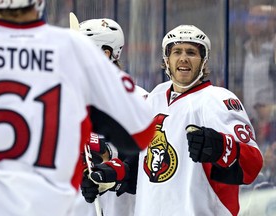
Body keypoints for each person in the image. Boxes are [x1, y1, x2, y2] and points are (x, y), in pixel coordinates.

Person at [0, 1, 156, 216]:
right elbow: (139, 133)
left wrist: (107, 156)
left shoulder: (140, 96)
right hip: (58, 200)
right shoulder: (69, 51)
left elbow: (144, 155)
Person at [81, 25, 263, 216]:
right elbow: (145, 165)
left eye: (191, 52)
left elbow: (252, 165)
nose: (183, 58)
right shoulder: (155, 98)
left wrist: (220, 146)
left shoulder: (218, 100)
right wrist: (111, 175)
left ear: (204, 61)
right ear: (167, 60)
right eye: (177, 51)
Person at [71, 17, 148, 216]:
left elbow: (146, 164)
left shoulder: (138, 100)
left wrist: (108, 155)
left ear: (105, 54)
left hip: (120, 208)